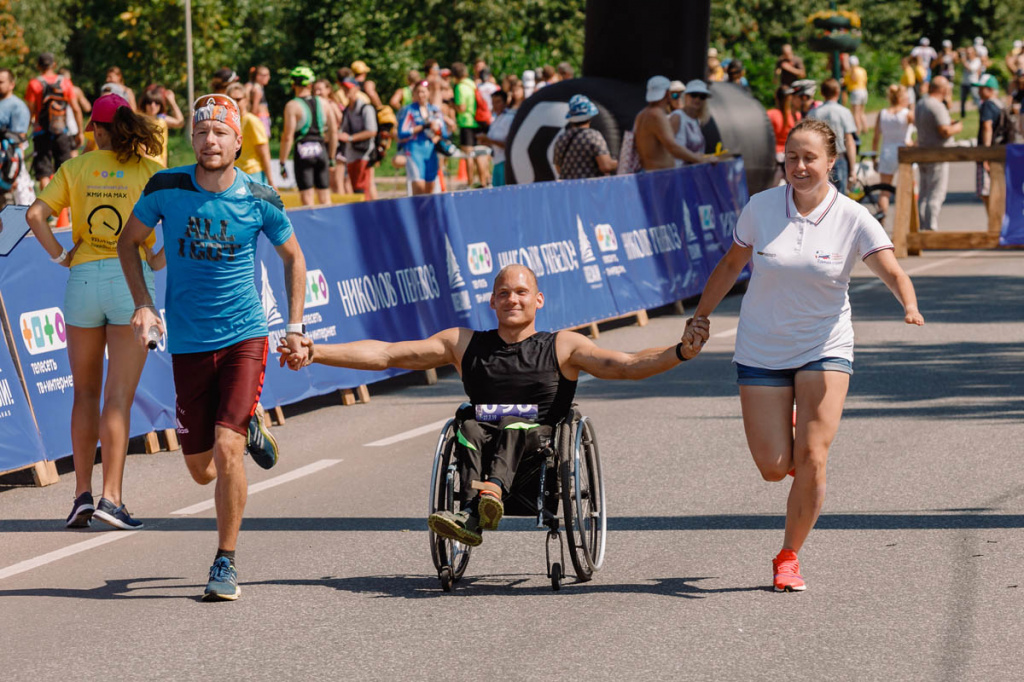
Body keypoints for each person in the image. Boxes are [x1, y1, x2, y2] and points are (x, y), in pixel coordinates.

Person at [278, 264, 709, 547]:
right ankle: (475, 507)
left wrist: (681, 352)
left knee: (518, 425)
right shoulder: (465, 344)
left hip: (539, 439)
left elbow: (628, 365)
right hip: (481, 435)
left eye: (522, 292)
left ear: (539, 300)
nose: (513, 299)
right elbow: (389, 354)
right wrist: (318, 352)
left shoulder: (562, 346)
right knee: (465, 424)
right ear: (492, 302)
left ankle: (485, 502)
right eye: (503, 293)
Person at [682, 118, 924, 592]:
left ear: (831, 162)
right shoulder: (761, 208)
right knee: (774, 467)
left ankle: (789, 556)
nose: (799, 166)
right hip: (762, 344)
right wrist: (701, 317)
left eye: (810, 158)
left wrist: (909, 305)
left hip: (823, 345)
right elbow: (732, 263)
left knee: (814, 456)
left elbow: (892, 270)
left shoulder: (852, 217)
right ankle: (796, 442)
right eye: (792, 157)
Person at [118, 93, 309, 601]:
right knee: (201, 471)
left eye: (220, 133)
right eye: (201, 133)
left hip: (245, 335)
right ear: (192, 139)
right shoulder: (166, 187)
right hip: (188, 342)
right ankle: (249, 426)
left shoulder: (260, 197)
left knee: (227, 449)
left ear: (237, 141)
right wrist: (143, 303)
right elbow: (127, 241)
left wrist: (294, 324)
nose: (210, 141)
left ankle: (225, 562)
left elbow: (294, 258)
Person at [10, 94, 164, 530]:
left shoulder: (75, 168)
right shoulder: (151, 172)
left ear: (93, 128)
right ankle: (111, 500)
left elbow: (36, 215)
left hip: (82, 281)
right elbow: (177, 223)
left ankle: (81, 495)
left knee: (84, 394)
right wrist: (156, 258)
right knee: (118, 397)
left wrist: (61, 256)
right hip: (129, 282)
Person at [280, 66, 339, 206]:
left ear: (293, 84)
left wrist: (282, 161)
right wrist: (331, 157)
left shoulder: (292, 106)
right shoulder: (324, 103)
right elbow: (333, 132)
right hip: (321, 149)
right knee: (325, 197)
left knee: (307, 198)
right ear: (310, 85)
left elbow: (287, 136)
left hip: (303, 150)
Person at [25, 53, 83, 189]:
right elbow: (76, 109)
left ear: (38, 66)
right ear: (54, 65)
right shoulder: (65, 83)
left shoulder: (34, 84)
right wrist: (80, 132)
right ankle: (66, 209)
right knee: (65, 173)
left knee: (44, 172)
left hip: (41, 133)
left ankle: (46, 208)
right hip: (62, 132)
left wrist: (24, 133)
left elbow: (30, 112)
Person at [915, 76, 962, 231]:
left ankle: (921, 224)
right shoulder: (936, 105)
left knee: (924, 191)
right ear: (942, 89)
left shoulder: (921, 103)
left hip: (923, 151)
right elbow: (944, 131)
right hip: (937, 153)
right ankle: (931, 226)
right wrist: (957, 127)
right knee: (936, 193)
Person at [634, 76, 708, 171]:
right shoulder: (657, 115)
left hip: (651, 174)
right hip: (660, 176)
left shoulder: (642, 114)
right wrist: (700, 159)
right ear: (667, 93)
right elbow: (673, 148)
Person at [871, 84, 914, 220]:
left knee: (885, 190)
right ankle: (903, 221)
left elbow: (876, 137)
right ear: (902, 98)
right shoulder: (907, 114)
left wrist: (874, 156)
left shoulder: (883, 113)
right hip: (903, 151)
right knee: (906, 189)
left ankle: (882, 219)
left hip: (887, 151)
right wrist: (914, 143)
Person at [396, 80, 447, 195]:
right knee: (419, 187)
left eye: (423, 92)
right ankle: (418, 212)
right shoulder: (409, 110)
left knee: (430, 187)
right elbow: (402, 133)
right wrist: (421, 127)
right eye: (418, 92)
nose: (420, 95)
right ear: (414, 94)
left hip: (431, 151)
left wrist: (436, 133)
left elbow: (444, 133)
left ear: (428, 93)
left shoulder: (434, 110)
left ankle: (427, 213)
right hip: (415, 150)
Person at [807, 78, 856, 195]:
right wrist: (853, 169)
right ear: (838, 92)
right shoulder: (844, 112)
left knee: (820, 195)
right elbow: (849, 141)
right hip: (838, 157)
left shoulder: (813, 113)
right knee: (839, 196)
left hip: (818, 158)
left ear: (822, 93)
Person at [553, 95, 616, 180]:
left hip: (568, 190)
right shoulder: (593, 136)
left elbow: (559, 169)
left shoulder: (561, 138)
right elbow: (605, 166)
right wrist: (618, 163)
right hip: (590, 190)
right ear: (589, 117)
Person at [227, 82, 275, 188]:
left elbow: (264, 152)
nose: (234, 103)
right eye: (231, 100)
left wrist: (270, 180)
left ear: (246, 99)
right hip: (234, 174)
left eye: (238, 99)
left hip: (253, 174)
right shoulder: (228, 122)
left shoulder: (252, 121)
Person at [339, 79, 379, 200]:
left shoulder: (366, 108)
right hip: (351, 154)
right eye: (344, 88)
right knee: (356, 187)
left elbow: (372, 131)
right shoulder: (347, 110)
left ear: (357, 89)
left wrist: (350, 138)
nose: (346, 91)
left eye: (349, 88)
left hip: (364, 153)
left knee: (364, 187)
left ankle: (368, 215)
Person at [451, 62, 489, 187]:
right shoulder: (472, 84)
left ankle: (470, 183)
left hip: (466, 123)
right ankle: (484, 181)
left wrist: (453, 105)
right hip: (478, 121)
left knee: (468, 155)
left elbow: (461, 107)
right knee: (480, 154)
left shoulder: (460, 87)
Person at [0, 68, 31, 207]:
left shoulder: (17, 106)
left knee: (6, 202)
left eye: (1, 82)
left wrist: (15, 173)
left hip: (6, 163)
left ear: (12, 84)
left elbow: (19, 141)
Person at [975, 74, 1003, 212]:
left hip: (989, 152)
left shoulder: (987, 105)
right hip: (1000, 152)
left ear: (990, 89)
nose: (979, 92)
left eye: (982, 89)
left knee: (986, 192)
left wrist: (986, 154)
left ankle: (995, 226)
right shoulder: (1000, 104)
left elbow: (987, 127)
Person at [138, 87, 185, 167]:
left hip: (159, 164)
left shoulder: (161, 120)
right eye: (149, 102)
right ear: (144, 104)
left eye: (156, 103)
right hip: (142, 164)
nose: (153, 106)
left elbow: (180, 122)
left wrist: (172, 102)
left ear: (160, 105)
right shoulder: (138, 120)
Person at [669, 79, 711, 167]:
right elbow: (667, 147)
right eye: (694, 95)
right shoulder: (677, 117)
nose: (697, 99)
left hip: (692, 173)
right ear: (685, 96)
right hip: (676, 173)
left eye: (702, 96)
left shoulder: (697, 120)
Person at [479, 89, 514, 186]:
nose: (495, 105)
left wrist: (489, 140)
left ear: (505, 102)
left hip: (505, 162)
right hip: (497, 161)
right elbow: (493, 142)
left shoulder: (509, 118)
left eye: (498, 102)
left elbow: (509, 144)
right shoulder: (495, 120)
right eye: (493, 102)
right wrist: (485, 141)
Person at [843, 56, 868, 133]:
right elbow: (865, 81)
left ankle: (858, 130)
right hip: (864, 91)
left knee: (855, 113)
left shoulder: (850, 72)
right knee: (862, 112)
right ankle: (865, 129)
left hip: (855, 92)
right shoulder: (862, 70)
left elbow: (845, 82)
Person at [246, 65, 272, 137]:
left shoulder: (258, 86)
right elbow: (254, 107)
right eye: (266, 75)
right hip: (260, 118)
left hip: (262, 117)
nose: (268, 77)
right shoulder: (256, 88)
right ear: (258, 76)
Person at [959, 46, 982, 117]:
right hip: (964, 82)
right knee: (963, 100)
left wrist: (963, 60)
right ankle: (963, 115)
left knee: (976, 99)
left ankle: (981, 112)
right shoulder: (967, 60)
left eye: (970, 52)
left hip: (973, 83)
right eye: (967, 52)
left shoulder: (977, 60)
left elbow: (971, 69)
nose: (968, 54)